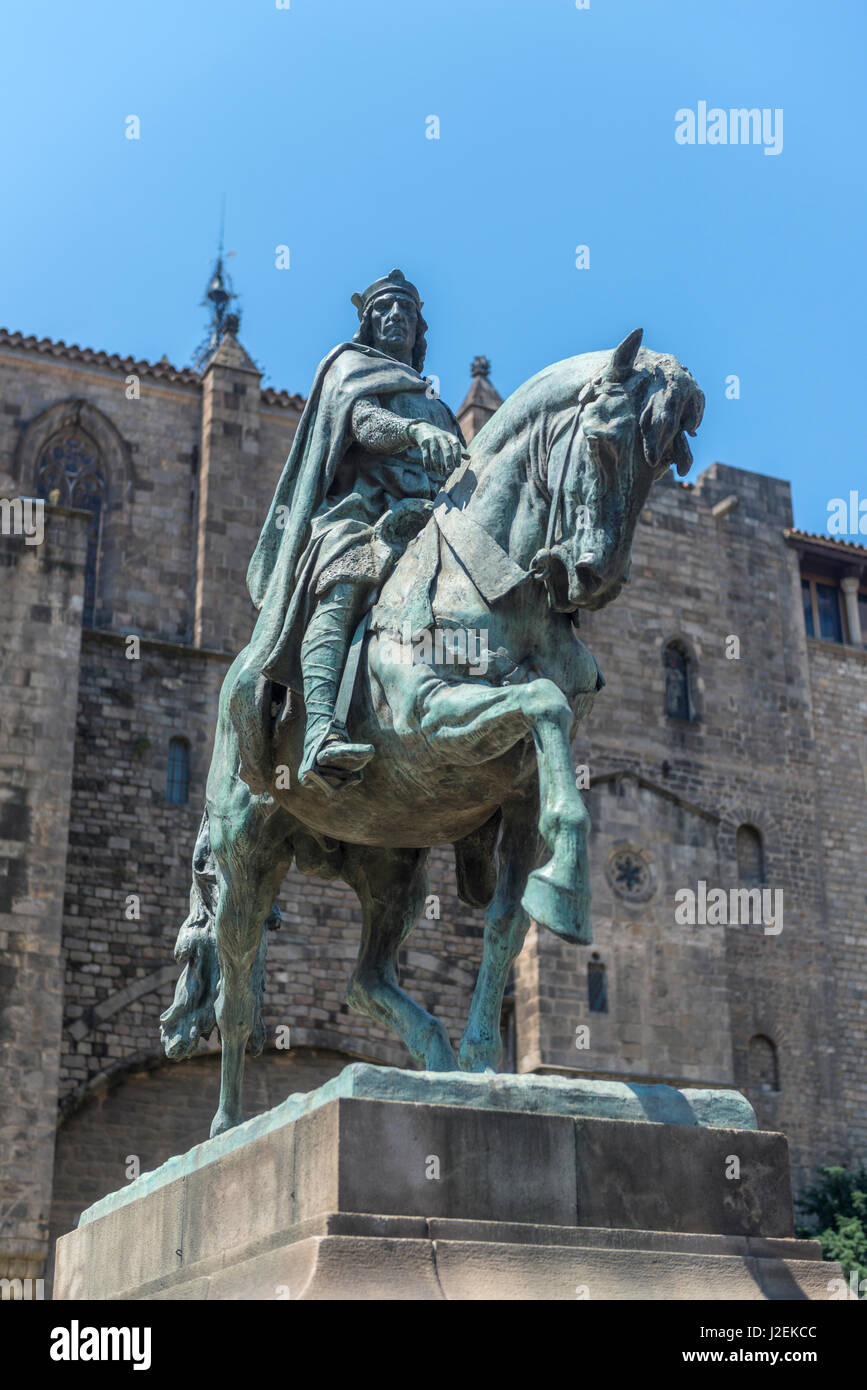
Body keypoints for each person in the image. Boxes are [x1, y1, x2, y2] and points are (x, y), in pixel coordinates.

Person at [231, 269, 466, 793]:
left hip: (432, 526)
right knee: (344, 576)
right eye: (384, 310)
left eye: (406, 311)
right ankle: (319, 730)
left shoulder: (440, 406)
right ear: (368, 322)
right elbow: (364, 425)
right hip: (359, 518)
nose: (396, 318)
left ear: (419, 329)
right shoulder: (351, 371)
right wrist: (413, 431)